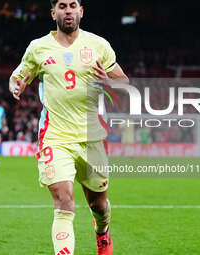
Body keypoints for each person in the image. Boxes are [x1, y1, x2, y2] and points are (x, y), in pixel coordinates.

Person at [9, 1, 128, 254]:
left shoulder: (98, 45)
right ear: (54, 13)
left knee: (99, 205)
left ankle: (102, 232)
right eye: (62, 6)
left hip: (92, 136)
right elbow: (18, 74)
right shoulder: (38, 48)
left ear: (81, 11)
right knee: (64, 201)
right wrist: (15, 84)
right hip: (55, 136)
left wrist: (107, 81)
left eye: (73, 5)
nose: (68, 10)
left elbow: (125, 84)